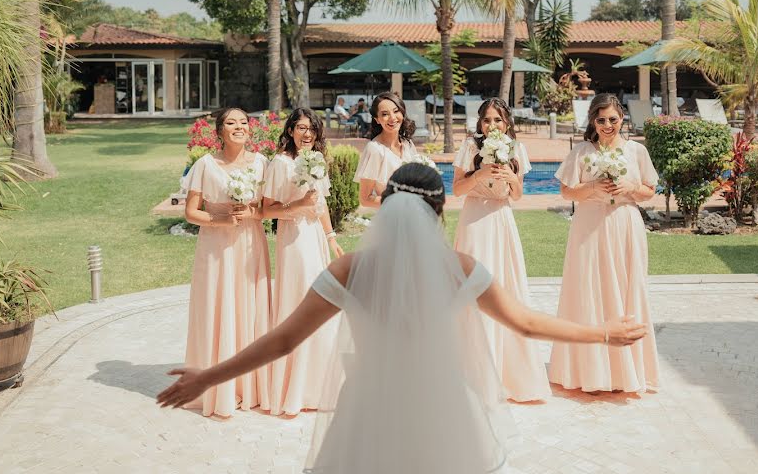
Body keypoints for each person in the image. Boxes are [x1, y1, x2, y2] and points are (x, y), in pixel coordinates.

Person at [158, 163, 647, 474]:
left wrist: (209, 377)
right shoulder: (458, 268)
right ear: (437, 210)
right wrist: (604, 333)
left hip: (369, 409)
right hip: (444, 407)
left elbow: (284, 340)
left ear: (389, 208)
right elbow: (525, 323)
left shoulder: (349, 269)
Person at [548, 93, 660, 393]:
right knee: (587, 289)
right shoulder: (582, 151)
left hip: (624, 226)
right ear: (593, 122)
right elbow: (567, 192)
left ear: (622, 118)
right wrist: (593, 186)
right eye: (601, 120)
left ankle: (625, 373)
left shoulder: (637, 151)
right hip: (589, 226)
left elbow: (650, 190)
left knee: (625, 291)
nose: (608, 125)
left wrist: (632, 186)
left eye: (613, 119)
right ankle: (589, 372)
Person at [452, 98, 549, 402]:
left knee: (506, 289)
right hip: (474, 221)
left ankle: (511, 376)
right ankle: (471, 376)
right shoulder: (470, 146)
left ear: (507, 123)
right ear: (479, 123)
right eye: (487, 121)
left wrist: (511, 179)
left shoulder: (516, 148)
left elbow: (518, 195)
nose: (492, 126)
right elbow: (456, 189)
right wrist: (478, 175)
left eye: (498, 120)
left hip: (501, 220)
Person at [180, 107, 272, 417]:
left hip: (250, 245)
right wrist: (222, 219)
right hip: (216, 247)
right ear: (219, 131)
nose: (239, 127)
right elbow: (191, 212)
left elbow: (267, 209)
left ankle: (251, 387)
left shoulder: (262, 164)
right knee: (217, 308)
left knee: (250, 308)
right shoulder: (205, 165)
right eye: (231, 123)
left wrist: (252, 214)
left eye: (244, 122)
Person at [261, 108, 344, 416]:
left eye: (311, 129)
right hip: (294, 241)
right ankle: (293, 388)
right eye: (300, 128)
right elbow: (265, 210)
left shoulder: (317, 161)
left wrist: (332, 237)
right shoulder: (280, 164)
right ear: (291, 131)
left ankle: (321, 385)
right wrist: (296, 205)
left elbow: (320, 204)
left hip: (316, 240)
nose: (306, 134)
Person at [353, 91, 420, 208]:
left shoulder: (408, 144)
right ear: (377, 119)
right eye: (385, 114)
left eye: (396, 111)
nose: (392, 118)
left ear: (402, 113)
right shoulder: (374, 149)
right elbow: (365, 199)